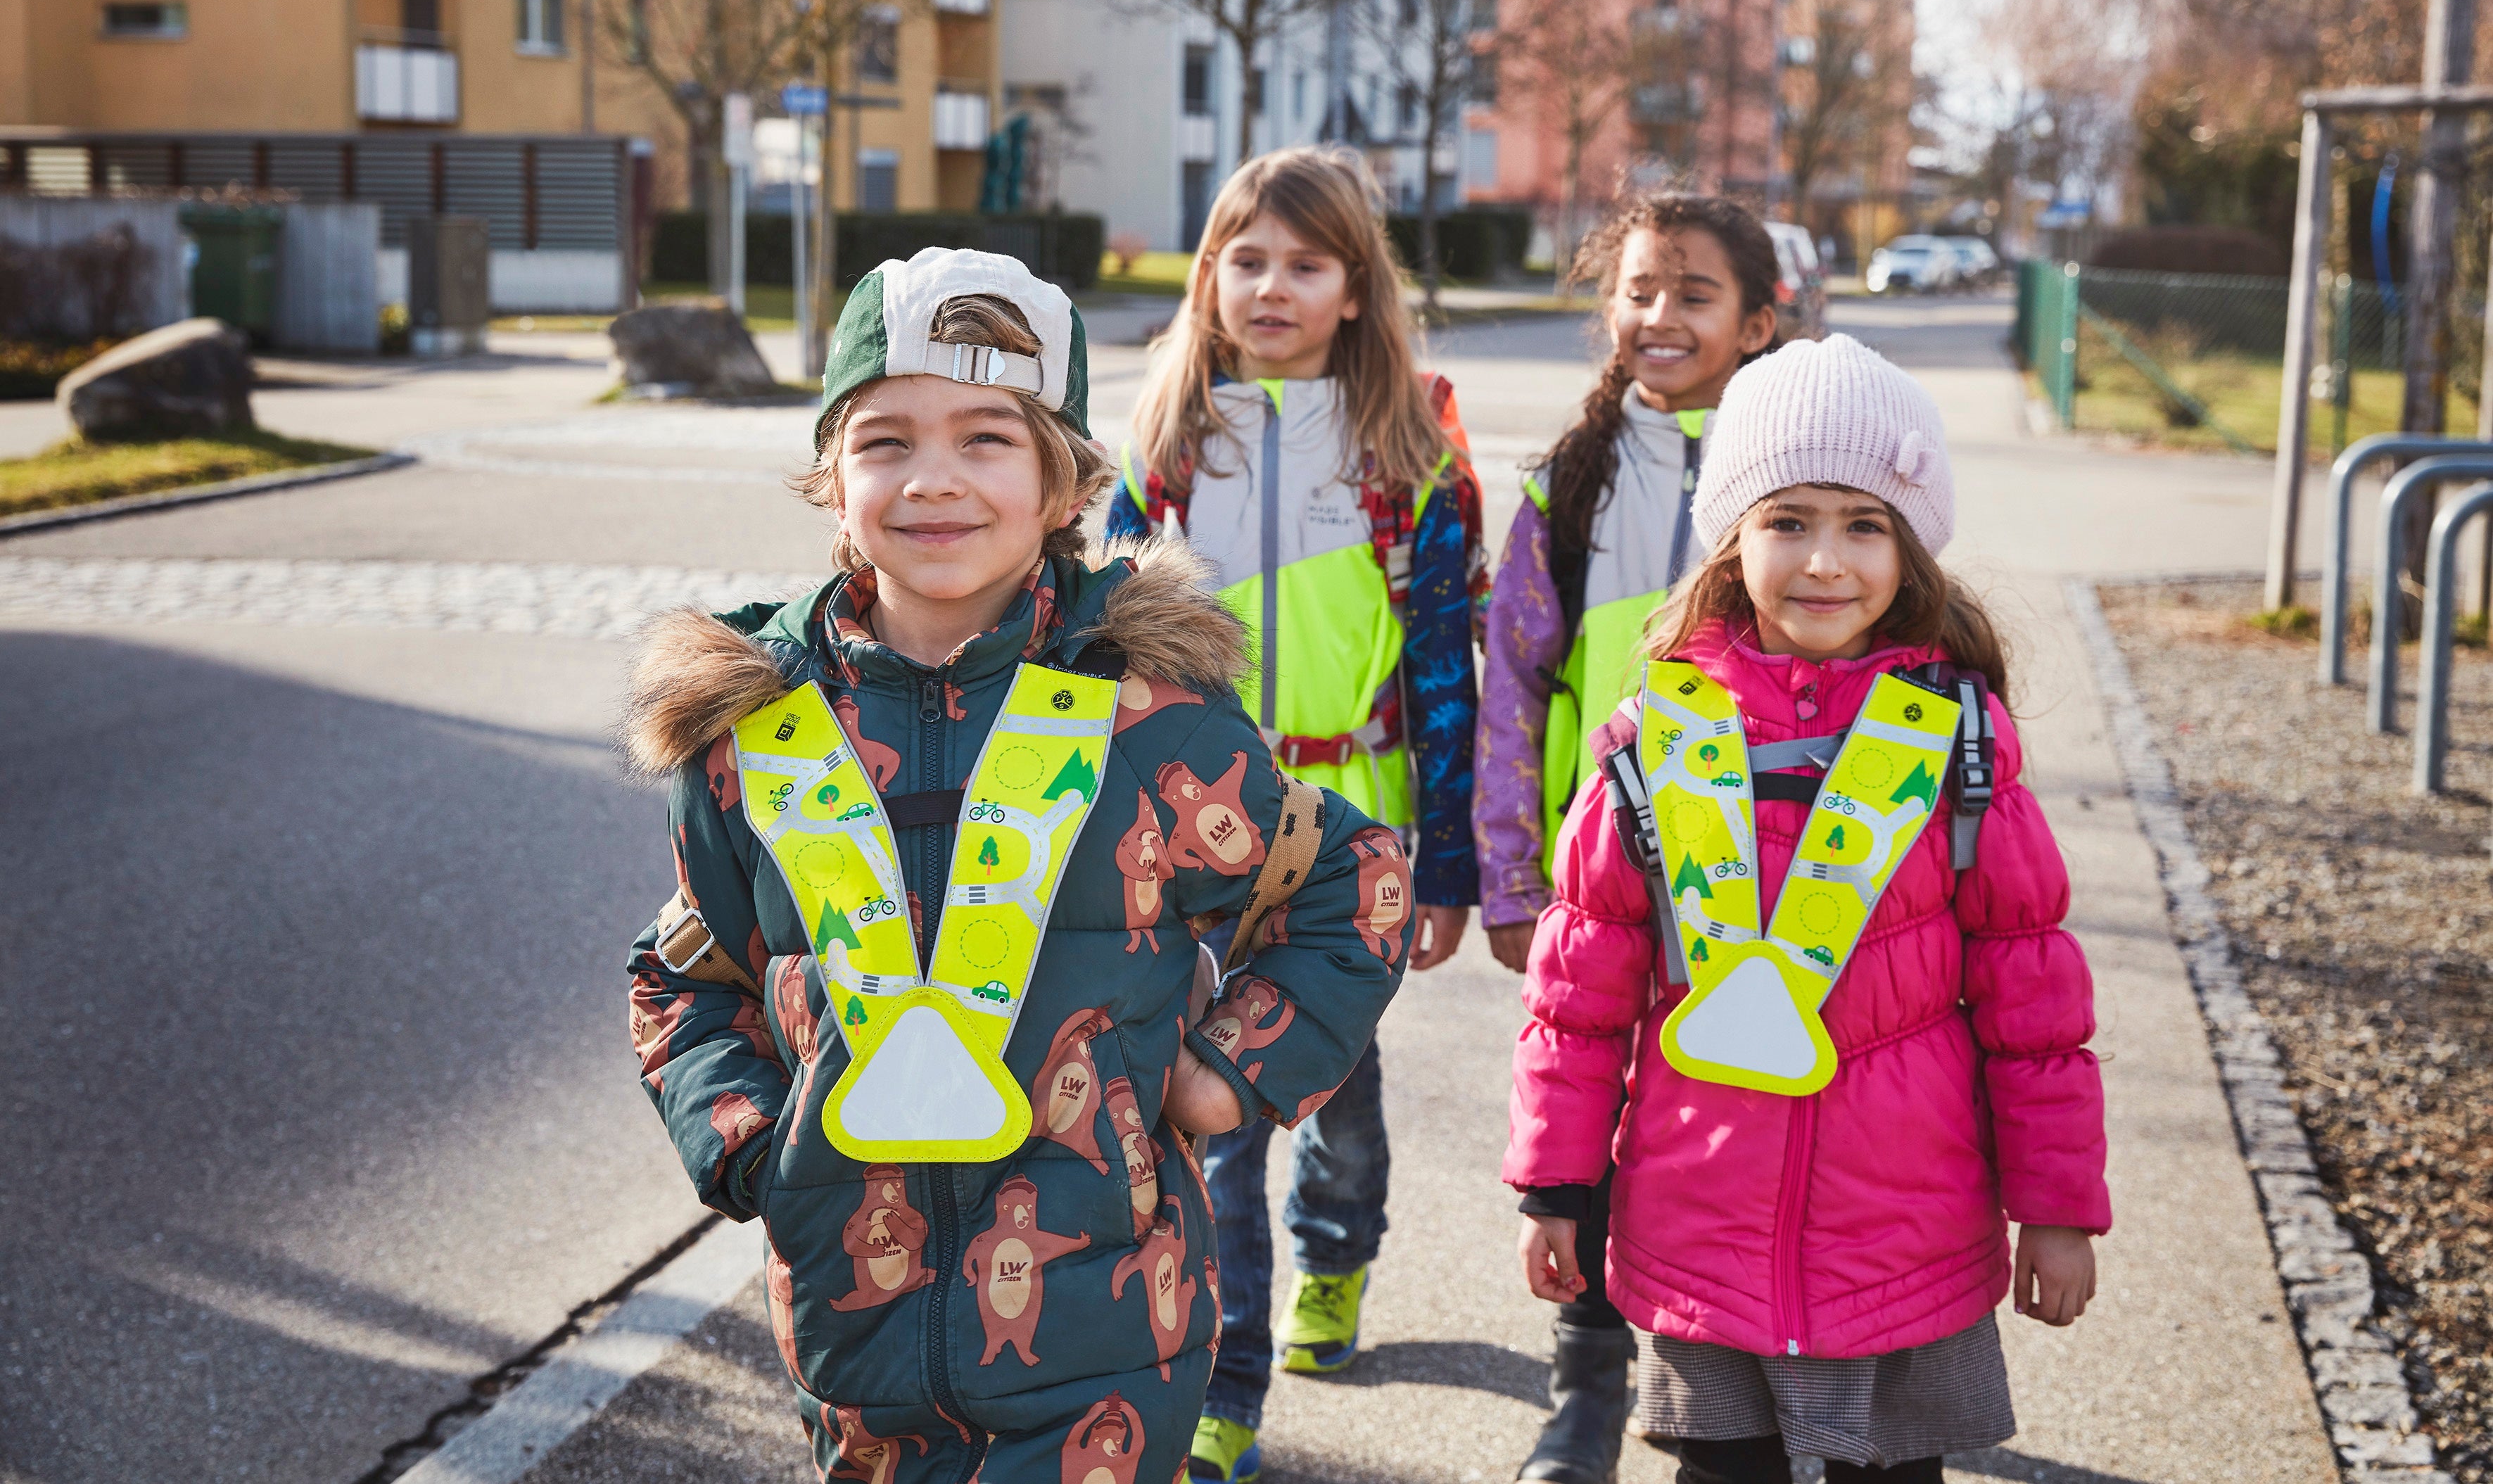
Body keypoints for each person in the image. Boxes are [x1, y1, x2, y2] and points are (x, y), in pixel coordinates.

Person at [621, 246, 1416, 1484]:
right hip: (853, 1334)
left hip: (1111, 1337)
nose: (932, 479)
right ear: (835, 485)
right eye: (885, 441)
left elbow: (1351, 880)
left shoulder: (1155, 719)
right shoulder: (755, 740)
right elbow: (687, 971)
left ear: (1064, 485)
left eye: (988, 439)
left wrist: (1225, 1078)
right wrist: (748, 1139)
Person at [1506, 334, 2112, 1484]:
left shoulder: (1957, 750)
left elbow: (2034, 1007)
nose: (1824, 561)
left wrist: (2060, 1207)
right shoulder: (1657, 749)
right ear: (1734, 537)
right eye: (1788, 519)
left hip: (1904, 1229)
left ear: (1909, 546)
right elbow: (1578, 997)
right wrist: (1557, 1185)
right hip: (1705, 1218)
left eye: (1863, 523)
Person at [1105, 146, 1483, 1484]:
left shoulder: (1409, 450)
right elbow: (1100, 647)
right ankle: (1225, 1382)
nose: (1270, 285)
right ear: (1208, 278)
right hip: (1193, 831)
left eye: (1304, 263)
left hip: (1345, 838)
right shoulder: (1166, 443)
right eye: (1245, 258)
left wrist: (1450, 863)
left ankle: (1340, 1247)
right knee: (1213, 1108)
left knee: (1341, 1089)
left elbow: (1445, 668)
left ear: (1352, 286)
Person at [1475, 196, 1780, 1484]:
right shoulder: (1574, 480)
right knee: (1586, 1126)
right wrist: (1505, 865)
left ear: (1759, 323)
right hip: (1598, 876)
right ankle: (1583, 1397)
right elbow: (1515, 681)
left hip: (1768, 890)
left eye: (1695, 294)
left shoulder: (1790, 481)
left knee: (1726, 1131)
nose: (1660, 317)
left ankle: (1752, 1394)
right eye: (1641, 290)